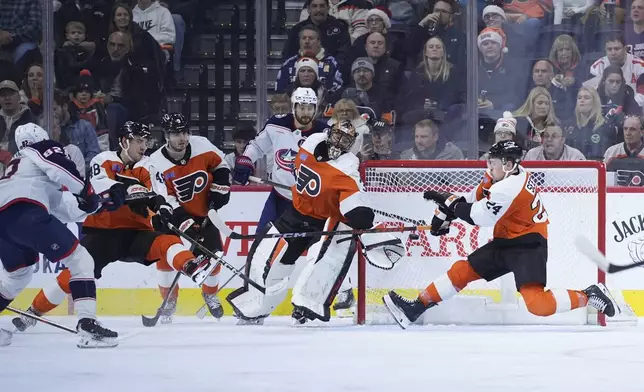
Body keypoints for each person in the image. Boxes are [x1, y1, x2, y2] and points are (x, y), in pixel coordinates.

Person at [382, 140, 619, 329]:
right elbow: (473, 199)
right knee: (461, 271)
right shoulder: (504, 174)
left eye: (492, 163)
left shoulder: (509, 187)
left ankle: (589, 295)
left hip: (528, 245)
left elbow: (478, 217)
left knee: (538, 305)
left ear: (507, 164)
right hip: (506, 240)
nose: (488, 168)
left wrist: (450, 203)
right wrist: (445, 212)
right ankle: (416, 308)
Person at [12, 122, 219, 332]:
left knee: (168, 241)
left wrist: (162, 208)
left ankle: (192, 268)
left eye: (145, 141)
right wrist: (132, 191)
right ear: (124, 141)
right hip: (103, 233)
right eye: (138, 141)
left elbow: (159, 193)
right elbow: (101, 186)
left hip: (137, 233)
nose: (143, 146)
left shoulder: (148, 165)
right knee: (73, 274)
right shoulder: (102, 160)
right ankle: (32, 313)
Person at [226, 120, 405, 325]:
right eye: (337, 136)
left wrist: (360, 213)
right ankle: (255, 305)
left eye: (345, 140)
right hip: (296, 212)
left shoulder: (348, 167)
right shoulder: (311, 142)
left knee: (324, 259)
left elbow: (353, 207)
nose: (339, 144)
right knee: (266, 256)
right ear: (329, 134)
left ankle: (310, 304)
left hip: (323, 222)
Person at [0, 123, 117, 348]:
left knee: (17, 276)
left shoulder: (19, 166)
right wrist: (87, 192)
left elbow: (62, 208)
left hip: (4, 221)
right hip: (25, 212)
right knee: (81, 260)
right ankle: (88, 325)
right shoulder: (43, 148)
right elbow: (63, 172)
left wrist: (95, 204)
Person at [148, 113, 231, 321]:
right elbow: (164, 199)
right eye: (176, 134)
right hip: (173, 217)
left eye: (185, 132)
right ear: (166, 136)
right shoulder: (155, 163)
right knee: (166, 259)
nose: (182, 138)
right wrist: (185, 222)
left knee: (214, 258)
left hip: (204, 212)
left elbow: (221, 165)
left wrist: (220, 190)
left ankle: (209, 295)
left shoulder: (201, 144)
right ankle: (169, 299)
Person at [232, 87, 329, 233]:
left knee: (312, 248)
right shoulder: (277, 124)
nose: (306, 113)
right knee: (262, 240)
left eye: (310, 108)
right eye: (302, 108)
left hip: (310, 201)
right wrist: (245, 160)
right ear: (293, 107)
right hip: (280, 197)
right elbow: (257, 146)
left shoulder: (324, 133)